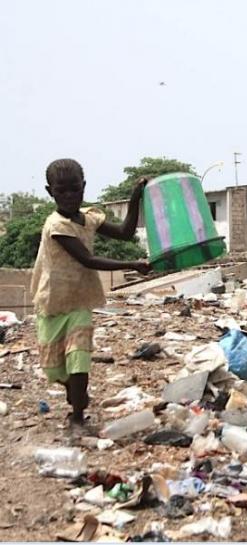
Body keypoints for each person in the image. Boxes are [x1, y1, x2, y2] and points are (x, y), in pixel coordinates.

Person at [31, 158, 151, 429]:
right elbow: (88, 260)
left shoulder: (89, 218)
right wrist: (131, 264)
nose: (69, 196)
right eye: (62, 191)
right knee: (52, 369)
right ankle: (76, 392)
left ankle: (77, 416)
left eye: (74, 189)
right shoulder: (56, 226)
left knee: (79, 356)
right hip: (53, 301)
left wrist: (135, 197)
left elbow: (125, 232)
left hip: (80, 301)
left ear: (83, 187)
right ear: (50, 192)